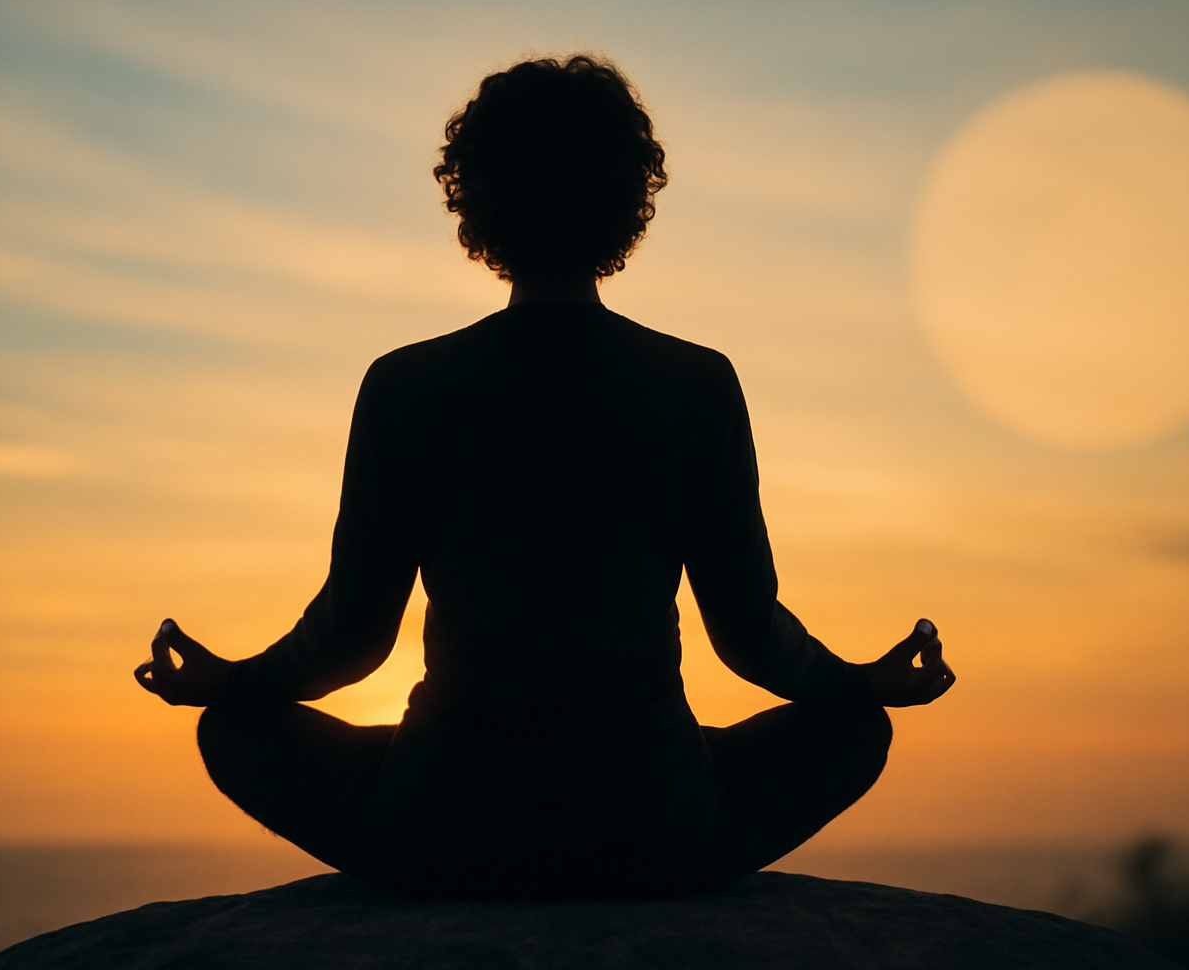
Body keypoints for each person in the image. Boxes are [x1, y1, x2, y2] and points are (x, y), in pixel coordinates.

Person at [134, 55, 954, 899]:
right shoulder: (697, 384)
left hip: (441, 830)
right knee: (853, 732)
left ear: (475, 196)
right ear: (629, 197)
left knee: (232, 734)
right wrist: (862, 684)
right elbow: (749, 638)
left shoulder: (405, 385)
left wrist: (228, 684)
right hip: (653, 830)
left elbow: (352, 640)